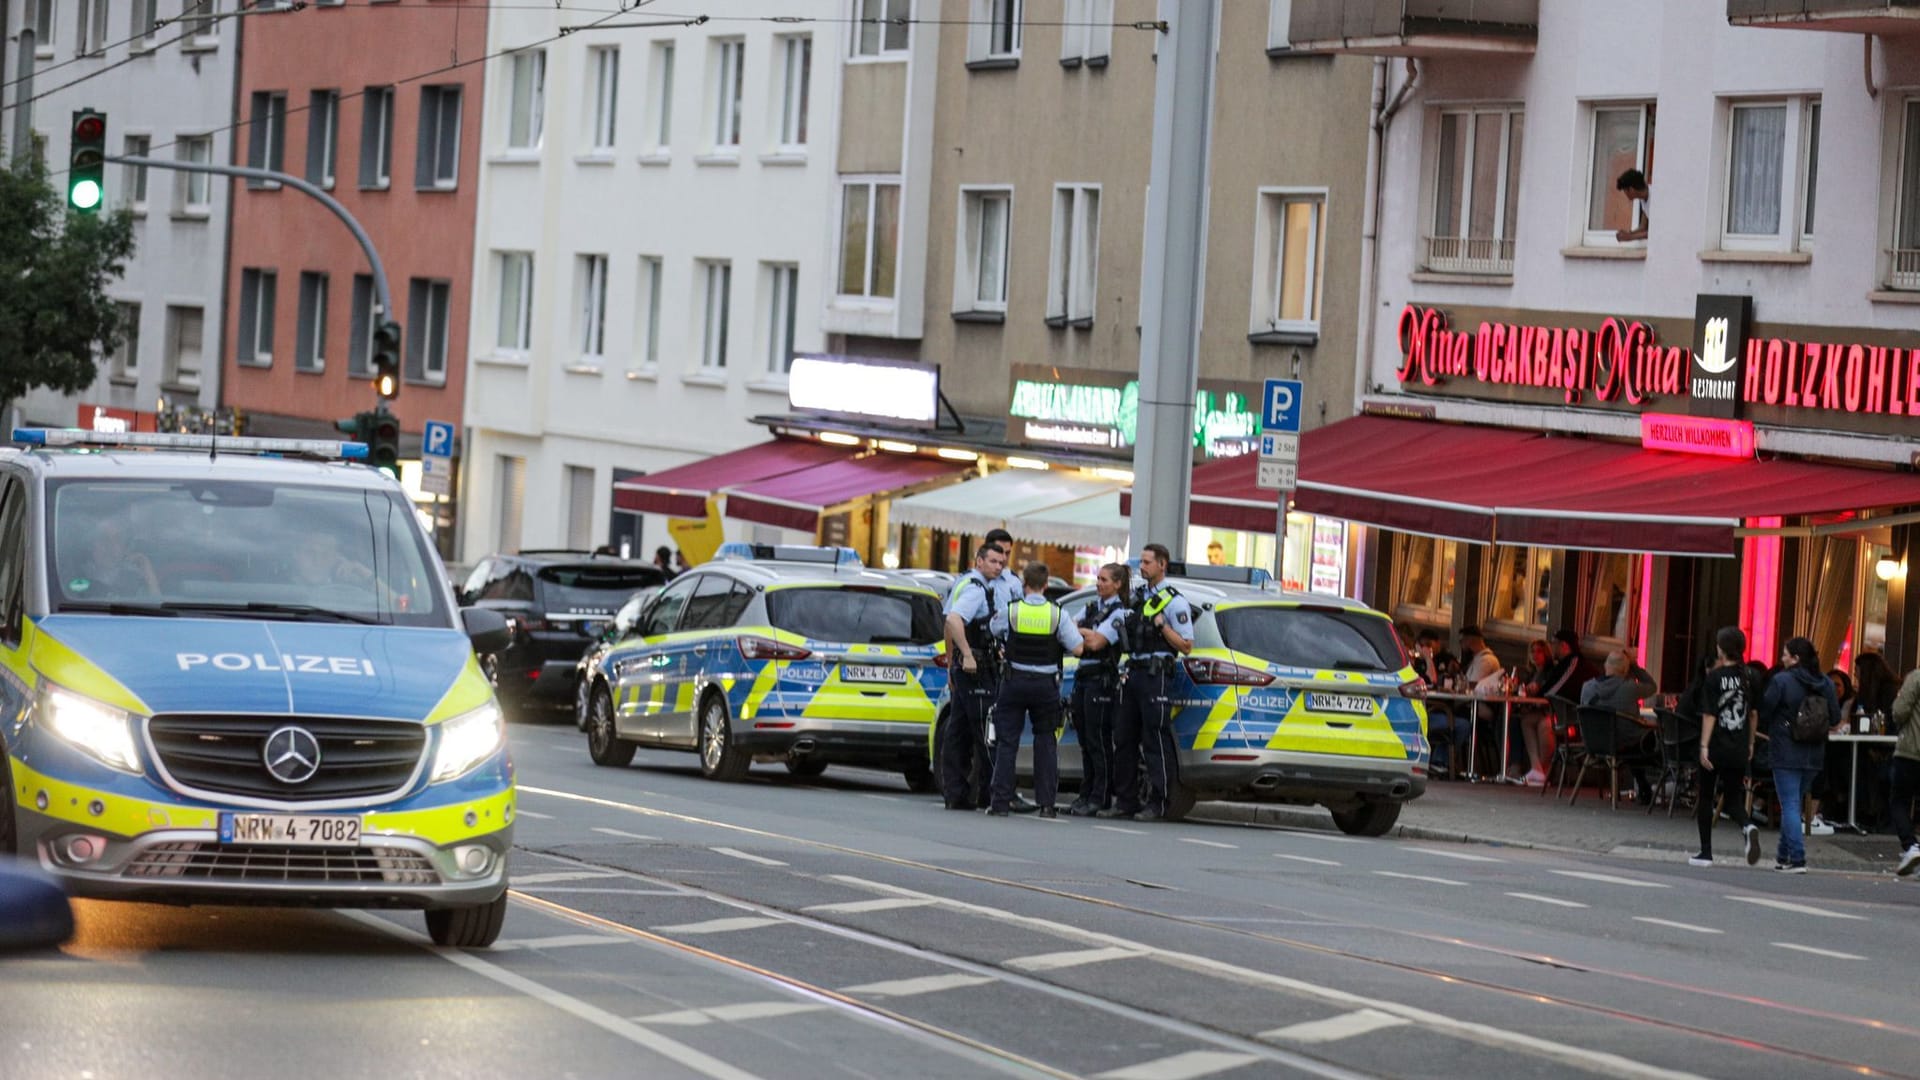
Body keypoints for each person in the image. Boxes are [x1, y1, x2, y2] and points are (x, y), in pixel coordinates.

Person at [1102, 543, 1193, 821]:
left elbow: (1187, 645)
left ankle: (1160, 802)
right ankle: (1126, 800)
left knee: (1154, 738)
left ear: (1162, 564)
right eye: (1141, 562)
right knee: (1124, 737)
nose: (1142, 567)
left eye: (1147, 562)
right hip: (1134, 673)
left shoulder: (1174, 601)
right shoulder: (1138, 598)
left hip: (1156, 676)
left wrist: (1163, 626)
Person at [987, 561, 1085, 818]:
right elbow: (1077, 648)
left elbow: (993, 628)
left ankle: (1000, 803)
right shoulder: (1057, 613)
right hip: (1045, 686)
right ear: (1046, 583)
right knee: (1046, 742)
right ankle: (1047, 805)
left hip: (1014, 681)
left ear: (1024, 583)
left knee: (1007, 742)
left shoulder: (1012, 611)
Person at [1760, 637, 1842, 873]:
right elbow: (1835, 718)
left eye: (1785, 654)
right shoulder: (1825, 683)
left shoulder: (1782, 681)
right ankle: (1783, 855)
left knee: (1790, 805)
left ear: (1796, 659)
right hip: (1815, 753)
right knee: (1793, 805)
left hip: (1785, 749)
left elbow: (1766, 710)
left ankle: (1797, 858)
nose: (1782, 658)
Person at [940, 542, 1011, 811]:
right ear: (979, 561)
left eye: (1000, 562)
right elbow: (953, 620)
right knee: (986, 731)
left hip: (970, 668)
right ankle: (991, 793)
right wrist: (967, 655)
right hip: (976, 670)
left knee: (958, 731)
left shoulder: (973, 584)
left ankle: (957, 793)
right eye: (992, 561)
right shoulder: (975, 588)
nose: (998, 566)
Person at [1687, 627, 1762, 868]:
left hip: (1717, 744)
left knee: (1707, 796)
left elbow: (1709, 714)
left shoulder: (1715, 677)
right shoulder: (1751, 676)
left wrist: (1704, 745)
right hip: (1739, 745)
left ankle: (1706, 852)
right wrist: (1750, 742)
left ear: (1720, 649)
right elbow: (1752, 714)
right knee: (1733, 798)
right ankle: (1747, 825)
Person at [1068, 563, 1130, 816]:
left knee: (1098, 741)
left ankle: (1100, 796)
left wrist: (1079, 632)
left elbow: (1095, 642)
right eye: (1098, 579)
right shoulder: (1093, 607)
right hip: (1084, 677)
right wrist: (1082, 631)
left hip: (1102, 680)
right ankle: (1086, 794)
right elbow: (1065, 629)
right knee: (1084, 739)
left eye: (1104, 580)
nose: (1099, 583)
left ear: (1117, 584)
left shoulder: (1119, 612)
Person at [1580, 649, 1660, 800]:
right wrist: (1635, 667)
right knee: (1644, 738)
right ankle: (1644, 784)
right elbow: (1651, 686)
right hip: (1624, 743)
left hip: (1593, 743)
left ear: (1605, 665)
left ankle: (1640, 786)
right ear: (1625, 669)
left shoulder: (1587, 687)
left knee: (1629, 735)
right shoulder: (1629, 687)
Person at [1808, 668, 1857, 836]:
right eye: (1831, 685)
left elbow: (1841, 722)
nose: (1835, 689)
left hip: (1842, 748)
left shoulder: (1850, 703)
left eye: (1838, 685)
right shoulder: (1819, 702)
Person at [1887, 664, 1920, 876]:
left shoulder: (1916, 677)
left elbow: (1899, 711)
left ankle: (1911, 846)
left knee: (1899, 800)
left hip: (1912, 749)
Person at [81, 516, 159, 598]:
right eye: (103, 538)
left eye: (117, 540)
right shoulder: (77, 575)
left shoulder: (134, 578)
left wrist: (147, 570)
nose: (110, 546)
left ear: (125, 548)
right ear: (91, 545)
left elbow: (155, 604)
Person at [1616, 168, 1650, 243]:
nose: (1625, 194)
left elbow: (1653, 232)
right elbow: (1643, 227)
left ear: (1631, 189)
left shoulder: (1655, 197)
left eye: (1624, 190)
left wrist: (1630, 237)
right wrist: (1628, 234)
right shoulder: (1643, 198)